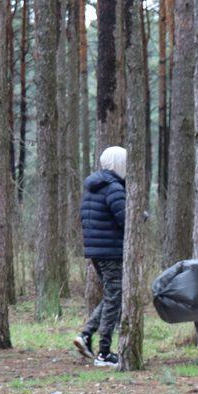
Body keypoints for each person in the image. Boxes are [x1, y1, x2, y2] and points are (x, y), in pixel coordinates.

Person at [74, 146, 129, 368]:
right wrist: (142, 216)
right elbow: (127, 219)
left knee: (111, 297)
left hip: (96, 252)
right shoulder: (114, 188)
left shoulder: (93, 187)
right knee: (114, 299)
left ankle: (86, 335)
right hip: (112, 252)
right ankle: (104, 352)